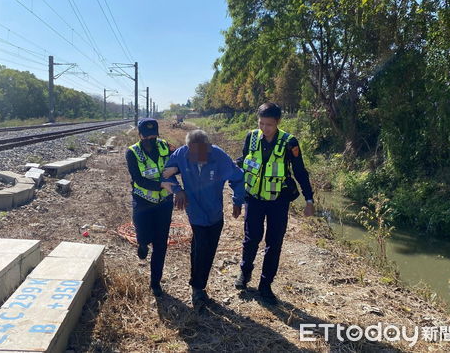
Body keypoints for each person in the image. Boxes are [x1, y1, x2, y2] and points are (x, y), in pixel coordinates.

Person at [234, 102, 315, 304]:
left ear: (278, 122)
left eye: (269, 124)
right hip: (253, 198)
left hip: (278, 201)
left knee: (274, 243)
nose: (264, 128)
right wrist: (237, 195)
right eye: (261, 123)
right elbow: (244, 163)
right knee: (251, 238)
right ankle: (245, 273)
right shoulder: (251, 137)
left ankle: (265, 284)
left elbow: (300, 171)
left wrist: (309, 199)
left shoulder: (290, 142)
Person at [163, 129, 245, 307]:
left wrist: (238, 201)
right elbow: (165, 173)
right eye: (193, 152)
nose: (197, 156)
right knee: (202, 247)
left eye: (201, 151)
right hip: (195, 211)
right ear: (187, 148)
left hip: (215, 212)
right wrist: (178, 191)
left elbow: (238, 177)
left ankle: (198, 283)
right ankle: (198, 288)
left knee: (207, 249)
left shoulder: (219, 156)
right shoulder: (181, 154)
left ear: (208, 147)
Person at [125, 118, 176, 297]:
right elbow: (138, 179)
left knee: (161, 244)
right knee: (144, 235)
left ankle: (155, 282)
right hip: (143, 202)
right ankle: (142, 244)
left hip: (164, 204)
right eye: (147, 137)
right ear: (139, 135)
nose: (151, 141)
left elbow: (177, 164)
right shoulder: (132, 153)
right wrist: (161, 184)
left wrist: (175, 172)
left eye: (154, 136)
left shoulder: (165, 147)